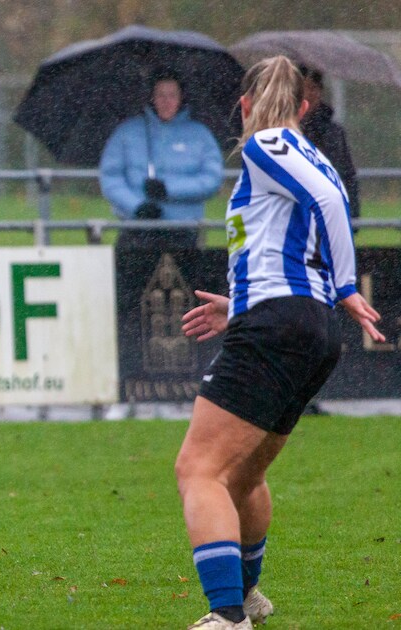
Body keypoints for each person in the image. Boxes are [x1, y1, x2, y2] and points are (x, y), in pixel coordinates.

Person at [174, 56, 385, 629]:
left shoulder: (265, 144)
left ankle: (227, 614)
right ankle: (247, 599)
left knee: (199, 469)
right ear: (305, 106)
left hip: (282, 322)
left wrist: (346, 284)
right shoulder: (306, 153)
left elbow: (330, 206)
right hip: (306, 329)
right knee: (242, 476)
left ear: (243, 107)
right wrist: (237, 306)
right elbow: (288, 240)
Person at [100, 70, 224, 251]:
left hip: (183, 231)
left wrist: (169, 189)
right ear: (152, 98)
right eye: (161, 95)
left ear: (181, 98)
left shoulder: (200, 135)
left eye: (172, 95)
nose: (166, 101)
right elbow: (110, 178)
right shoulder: (126, 132)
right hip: (136, 231)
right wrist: (137, 207)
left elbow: (212, 179)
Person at [299, 65, 361, 224]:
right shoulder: (284, 130)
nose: (308, 94)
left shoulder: (333, 132)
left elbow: (347, 173)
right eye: (303, 88)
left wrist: (352, 213)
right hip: (296, 219)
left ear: (320, 92)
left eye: (313, 88)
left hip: (329, 217)